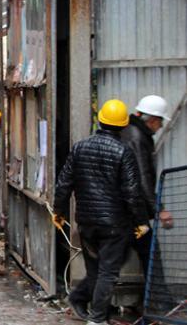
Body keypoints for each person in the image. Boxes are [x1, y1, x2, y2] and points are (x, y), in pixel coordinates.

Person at [54, 99, 150, 325]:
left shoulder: (80, 147)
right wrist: (141, 222)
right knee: (108, 273)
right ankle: (97, 319)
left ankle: (93, 310)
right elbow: (132, 193)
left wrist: (59, 211)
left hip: (86, 223)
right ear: (124, 125)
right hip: (115, 225)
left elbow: (64, 184)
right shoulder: (124, 152)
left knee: (95, 269)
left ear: (100, 121)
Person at [121, 95, 174, 272]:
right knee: (150, 251)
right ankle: (158, 299)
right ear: (152, 120)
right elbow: (142, 177)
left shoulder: (130, 132)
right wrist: (159, 209)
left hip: (125, 209)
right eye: (160, 122)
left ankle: (82, 295)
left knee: (115, 259)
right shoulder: (137, 138)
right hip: (133, 213)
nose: (160, 127)